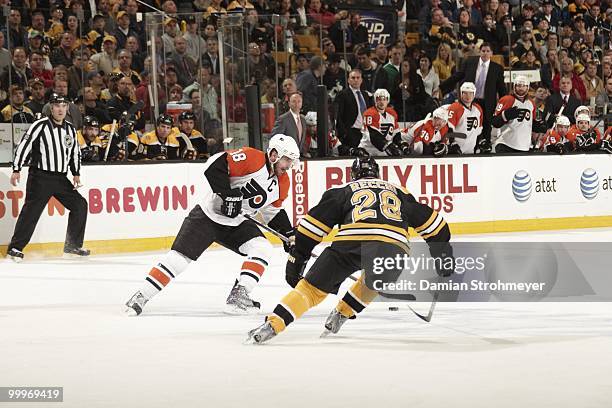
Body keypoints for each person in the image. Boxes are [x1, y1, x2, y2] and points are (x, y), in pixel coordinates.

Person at [246, 156, 453, 344]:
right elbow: (436, 226)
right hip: (394, 249)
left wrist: (297, 261)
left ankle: (273, 324)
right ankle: (341, 314)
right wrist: (443, 257)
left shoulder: (343, 191)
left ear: (353, 175)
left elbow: (311, 229)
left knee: (310, 290)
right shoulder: (399, 192)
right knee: (374, 282)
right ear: (378, 174)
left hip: (350, 243)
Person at [125, 135, 300, 315]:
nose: (289, 165)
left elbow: (272, 211)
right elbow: (213, 165)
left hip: (237, 223)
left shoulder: (282, 182)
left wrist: (288, 234)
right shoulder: (252, 158)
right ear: (273, 155)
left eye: (291, 161)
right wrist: (228, 194)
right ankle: (141, 296)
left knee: (262, 248)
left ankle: (239, 295)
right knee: (179, 259)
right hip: (208, 216)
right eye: (287, 160)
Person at [6, 93, 89, 262]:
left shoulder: (70, 129)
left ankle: (72, 245)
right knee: (31, 212)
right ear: (51, 108)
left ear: (67, 108)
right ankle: (15, 248)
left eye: (63, 106)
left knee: (80, 205)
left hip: (60, 178)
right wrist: (16, 168)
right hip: (40, 177)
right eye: (57, 106)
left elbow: (74, 153)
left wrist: (76, 173)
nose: (60, 109)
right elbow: (24, 145)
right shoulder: (40, 125)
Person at [439, 42, 507, 152]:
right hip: (470, 101)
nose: (485, 53)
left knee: (486, 128)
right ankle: (469, 150)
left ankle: (485, 150)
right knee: (470, 127)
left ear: (492, 53)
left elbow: (501, 88)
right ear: (480, 52)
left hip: (487, 103)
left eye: (487, 51)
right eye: (483, 51)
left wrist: (506, 103)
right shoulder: (470, 62)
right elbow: (458, 75)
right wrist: (441, 87)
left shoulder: (497, 68)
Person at [491, 75, 536, 153]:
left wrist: (540, 126)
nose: (521, 88)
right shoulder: (506, 99)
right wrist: (505, 116)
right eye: (518, 85)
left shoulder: (531, 103)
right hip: (506, 144)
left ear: (528, 87)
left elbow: (531, 123)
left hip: (524, 146)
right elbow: (494, 122)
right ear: (514, 86)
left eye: (523, 86)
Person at [334, 69, 373, 151]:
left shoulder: (365, 95)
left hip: (365, 133)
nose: (356, 80)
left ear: (361, 80)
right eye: (353, 78)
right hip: (350, 133)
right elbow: (338, 116)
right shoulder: (342, 94)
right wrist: (344, 134)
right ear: (348, 80)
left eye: (358, 78)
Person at [358, 88, 401, 156]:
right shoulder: (369, 113)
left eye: (384, 99)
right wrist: (388, 146)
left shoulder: (392, 113)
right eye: (379, 99)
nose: (382, 102)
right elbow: (373, 135)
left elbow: (396, 133)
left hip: (384, 150)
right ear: (375, 100)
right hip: (368, 150)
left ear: (388, 100)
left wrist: (401, 143)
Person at [446, 82, 483, 154]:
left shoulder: (478, 109)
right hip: (457, 151)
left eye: (470, 93)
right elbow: (448, 128)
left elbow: (479, 130)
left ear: (474, 94)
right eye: (465, 93)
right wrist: (452, 143)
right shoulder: (455, 107)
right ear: (461, 94)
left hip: (471, 151)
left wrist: (478, 145)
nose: (468, 96)